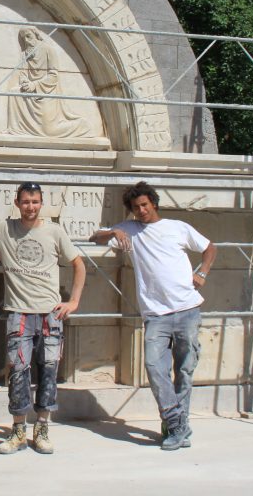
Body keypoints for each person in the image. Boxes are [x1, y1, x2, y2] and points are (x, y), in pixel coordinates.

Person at [89, 181, 216, 451]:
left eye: (144, 205)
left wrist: (202, 272)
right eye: (136, 207)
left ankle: (175, 426)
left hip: (187, 309)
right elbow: (95, 238)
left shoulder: (177, 227)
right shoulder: (130, 230)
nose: (141, 210)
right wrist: (114, 231)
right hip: (156, 314)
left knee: (184, 370)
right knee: (155, 368)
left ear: (154, 203)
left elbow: (209, 247)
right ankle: (176, 422)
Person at [0, 182, 86, 455]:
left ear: (41, 203)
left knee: (49, 371)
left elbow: (78, 264)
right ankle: (17, 430)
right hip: (19, 313)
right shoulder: (5, 228)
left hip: (50, 313)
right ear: (17, 203)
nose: (30, 207)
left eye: (35, 202)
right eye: (25, 202)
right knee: (17, 372)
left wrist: (73, 301)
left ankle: (43, 428)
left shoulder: (54, 231)